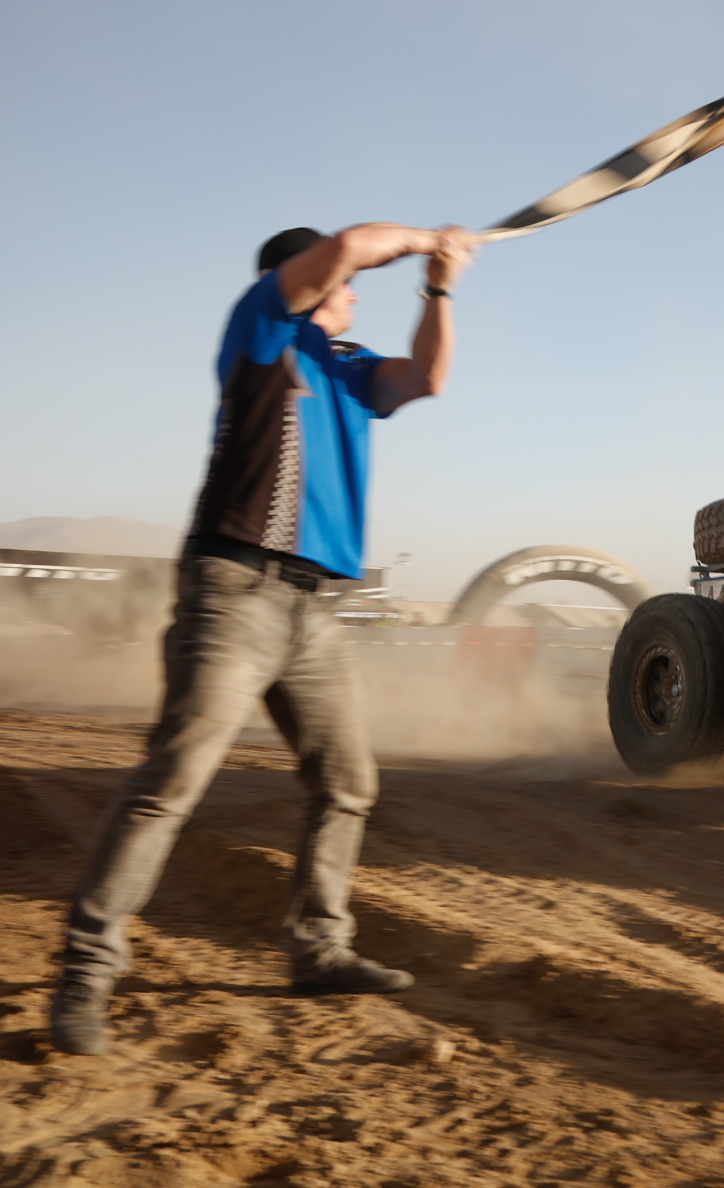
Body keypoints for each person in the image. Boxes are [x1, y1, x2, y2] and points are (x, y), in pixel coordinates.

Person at [50, 222, 477, 1056]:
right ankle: (85, 975)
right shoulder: (263, 329)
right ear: (303, 280)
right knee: (171, 781)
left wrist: (441, 281)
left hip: (314, 611)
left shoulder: (351, 371)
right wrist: (427, 236)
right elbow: (352, 244)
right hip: (233, 595)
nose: (356, 294)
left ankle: (320, 951)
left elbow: (429, 375)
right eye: (344, 283)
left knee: (348, 781)